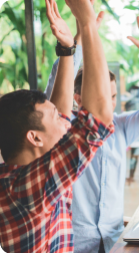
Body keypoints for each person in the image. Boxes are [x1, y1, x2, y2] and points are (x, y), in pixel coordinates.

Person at [44, 10, 139, 253]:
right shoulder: (63, 128)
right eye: (103, 95)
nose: (109, 103)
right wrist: (78, 40)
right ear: (78, 99)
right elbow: (54, 96)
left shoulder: (121, 125)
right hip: (74, 243)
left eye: (113, 96)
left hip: (114, 240)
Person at [0, 0, 114, 252]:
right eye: (55, 118)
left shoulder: (18, 175)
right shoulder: (28, 191)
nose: (66, 120)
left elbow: (60, 111)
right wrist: (87, 22)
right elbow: (97, 122)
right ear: (35, 138)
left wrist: (68, 49)